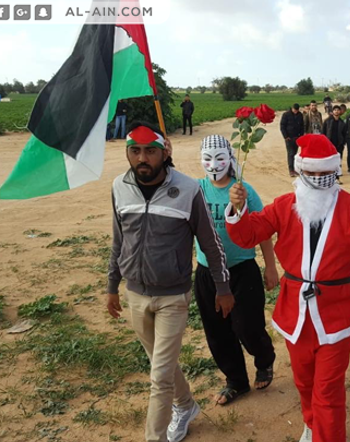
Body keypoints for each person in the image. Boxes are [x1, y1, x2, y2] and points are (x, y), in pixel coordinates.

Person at [225, 134, 350, 442]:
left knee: (328, 391)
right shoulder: (284, 205)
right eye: (313, 173)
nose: (319, 179)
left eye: (325, 173)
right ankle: (311, 422)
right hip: (295, 311)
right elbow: (248, 236)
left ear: (335, 170)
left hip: (336, 313)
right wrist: (237, 210)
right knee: (304, 381)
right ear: (300, 172)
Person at [107, 121, 232, 442]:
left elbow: (210, 242)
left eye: (150, 151)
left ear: (165, 153)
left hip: (173, 297)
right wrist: (111, 286)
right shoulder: (119, 187)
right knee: (161, 363)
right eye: (135, 151)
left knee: (159, 376)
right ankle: (186, 405)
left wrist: (222, 287)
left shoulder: (188, 189)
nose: (142, 158)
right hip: (135, 294)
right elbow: (119, 240)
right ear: (127, 154)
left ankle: (155, 438)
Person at [195, 135, 278, 406]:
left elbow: (262, 230)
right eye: (207, 158)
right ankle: (236, 381)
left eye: (219, 158)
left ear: (230, 158)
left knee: (248, 327)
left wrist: (270, 266)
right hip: (208, 273)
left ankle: (264, 360)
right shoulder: (195, 190)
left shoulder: (243, 191)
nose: (213, 164)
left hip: (242, 269)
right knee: (217, 332)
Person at [280, 103, 305, 177]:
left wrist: (301, 136)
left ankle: (295, 169)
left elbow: (302, 126)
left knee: (295, 154)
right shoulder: (286, 115)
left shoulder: (300, 115)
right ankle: (291, 170)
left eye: (297, 110)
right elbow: (282, 126)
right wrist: (285, 136)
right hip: (289, 138)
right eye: (294, 110)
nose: (296, 112)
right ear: (292, 108)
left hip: (297, 137)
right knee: (290, 154)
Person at [322, 104, 346, 173]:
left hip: (339, 144)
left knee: (338, 159)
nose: (336, 111)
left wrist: (343, 142)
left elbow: (344, 133)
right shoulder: (327, 121)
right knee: (329, 158)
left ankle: (338, 173)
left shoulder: (342, 122)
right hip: (329, 143)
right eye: (335, 110)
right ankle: (328, 172)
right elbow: (323, 132)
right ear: (333, 111)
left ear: (340, 112)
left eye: (338, 110)